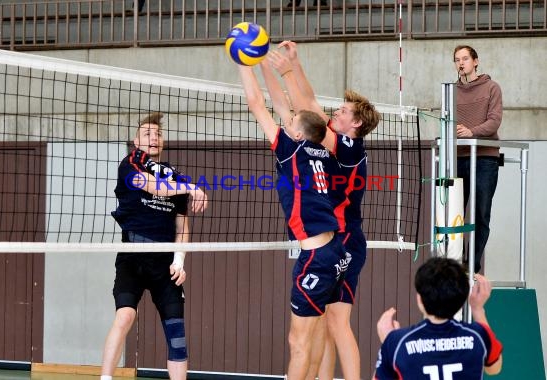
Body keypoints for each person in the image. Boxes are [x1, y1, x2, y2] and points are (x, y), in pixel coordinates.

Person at [267, 41, 380, 380]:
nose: (337, 113)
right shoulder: (342, 141)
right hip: (337, 239)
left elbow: (306, 106)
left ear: (355, 124)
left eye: (344, 112)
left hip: (344, 239)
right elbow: (312, 102)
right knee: (326, 324)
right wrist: (295, 64)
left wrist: (286, 73)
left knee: (337, 323)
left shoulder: (348, 148)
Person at [236, 63, 349, 380]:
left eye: (289, 126)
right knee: (314, 334)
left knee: (298, 343)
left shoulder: (290, 150)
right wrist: (264, 63)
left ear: (298, 134)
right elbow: (284, 107)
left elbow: (258, 104)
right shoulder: (324, 153)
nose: (284, 127)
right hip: (334, 252)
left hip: (314, 257)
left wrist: (243, 62)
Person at [101, 112, 208, 380]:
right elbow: (151, 186)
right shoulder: (129, 166)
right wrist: (191, 188)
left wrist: (179, 260)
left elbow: (182, 227)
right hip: (132, 257)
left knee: (177, 334)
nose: (154, 138)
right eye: (147, 133)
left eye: (158, 134)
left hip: (164, 264)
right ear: (136, 140)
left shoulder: (178, 177)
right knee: (125, 316)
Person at [374, 257, 503, 379]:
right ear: (462, 298)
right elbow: (494, 368)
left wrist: (387, 342)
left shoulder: (397, 341)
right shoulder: (478, 335)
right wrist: (477, 309)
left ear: (420, 299)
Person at [454, 45, 503, 273]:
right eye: (457, 60)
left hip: (484, 158)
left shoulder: (492, 88)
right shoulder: (451, 91)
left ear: (475, 61)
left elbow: (494, 122)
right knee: (454, 215)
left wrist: (471, 131)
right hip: (458, 157)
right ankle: (453, 263)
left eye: (464, 58)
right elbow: (448, 122)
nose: (460, 63)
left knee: (481, 214)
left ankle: (471, 264)